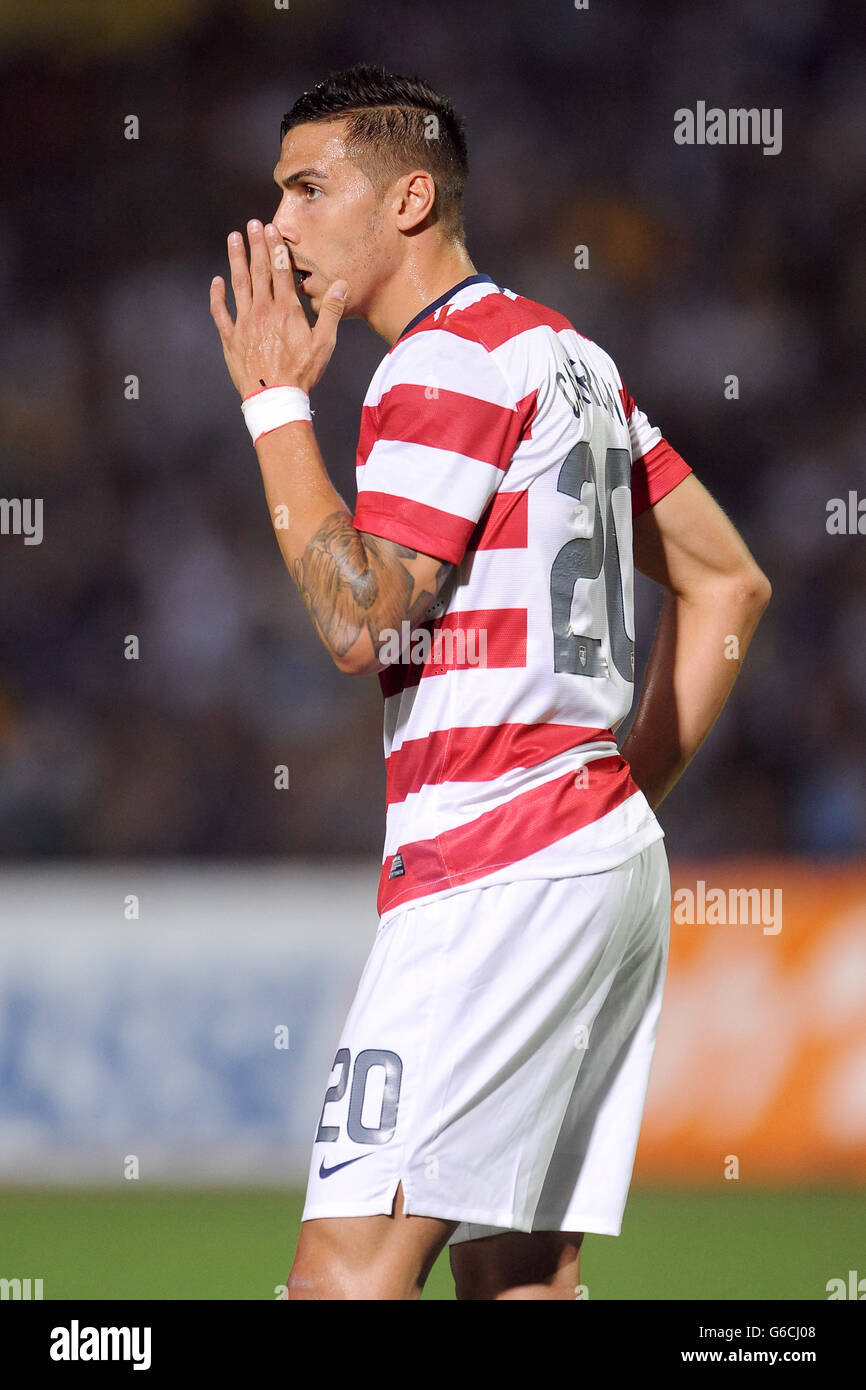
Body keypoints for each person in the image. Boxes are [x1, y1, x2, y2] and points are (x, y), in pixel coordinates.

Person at [209, 63, 771, 1301]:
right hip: (589, 852)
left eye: (308, 190)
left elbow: (356, 618)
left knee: (340, 1279)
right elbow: (728, 585)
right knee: (520, 1277)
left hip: (494, 863)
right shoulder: (566, 357)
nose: (280, 227)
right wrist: (612, 798)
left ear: (408, 198)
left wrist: (273, 410)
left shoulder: (438, 366)